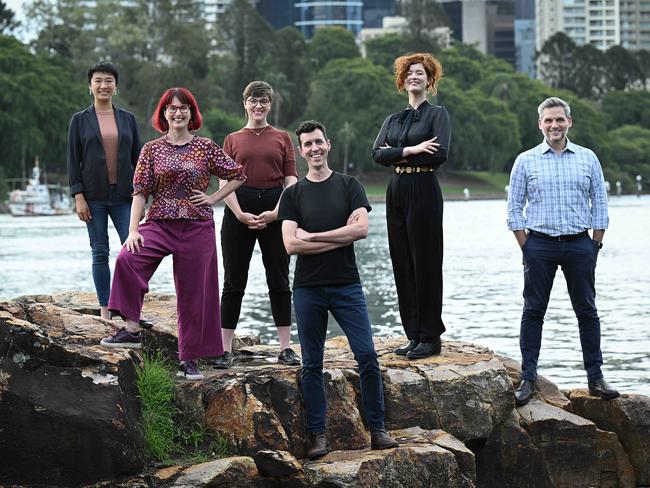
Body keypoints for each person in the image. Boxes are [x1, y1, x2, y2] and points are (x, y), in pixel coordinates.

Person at [99, 87, 246, 381]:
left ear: (191, 113)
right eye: (172, 108)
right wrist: (132, 230)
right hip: (160, 222)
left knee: (194, 295)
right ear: (164, 114)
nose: (177, 113)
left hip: (197, 226)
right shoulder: (151, 149)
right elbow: (140, 191)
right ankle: (130, 329)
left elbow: (238, 174)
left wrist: (214, 198)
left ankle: (189, 359)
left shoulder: (205, 147)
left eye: (183, 108)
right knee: (128, 259)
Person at [279, 120, 399, 460]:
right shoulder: (293, 194)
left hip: (347, 285)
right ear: (301, 152)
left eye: (319, 142)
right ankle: (318, 436)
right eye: (308, 145)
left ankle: (377, 429)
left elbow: (360, 231)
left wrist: (313, 237)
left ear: (328, 144)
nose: (314, 148)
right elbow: (290, 245)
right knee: (312, 363)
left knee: (367, 356)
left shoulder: (350, 186)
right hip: (308, 289)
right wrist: (336, 235)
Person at [507, 96, 619, 405]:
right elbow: (514, 209)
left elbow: (600, 203)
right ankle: (528, 379)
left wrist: (594, 244)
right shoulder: (525, 160)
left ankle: (595, 377)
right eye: (548, 120)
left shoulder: (587, 158)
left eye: (559, 119)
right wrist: (526, 246)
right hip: (539, 245)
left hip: (580, 244)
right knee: (533, 311)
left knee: (587, 310)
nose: (554, 125)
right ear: (540, 125)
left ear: (569, 122)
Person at [211, 81, 300, 369]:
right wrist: (237, 212)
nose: (258, 106)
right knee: (234, 281)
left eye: (263, 101)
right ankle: (225, 349)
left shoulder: (282, 137)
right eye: (253, 101)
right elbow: (224, 180)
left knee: (279, 279)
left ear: (270, 105)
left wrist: (278, 212)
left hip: (275, 208)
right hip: (239, 209)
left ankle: (285, 348)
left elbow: (291, 179)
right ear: (245, 104)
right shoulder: (233, 139)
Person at [371, 53, 451, 359]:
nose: (413, 77)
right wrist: (413, 148)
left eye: (419, 73)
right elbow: (377, 154)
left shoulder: (438, 115)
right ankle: (413, 334)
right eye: (409, 73)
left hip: (423, 187)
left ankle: (431, 336)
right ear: (402, 80)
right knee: (402, 261)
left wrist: (399, 153)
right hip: (397, 189)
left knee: (426, 261)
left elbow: (439, 154)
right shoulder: (393, 119)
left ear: (429, 80)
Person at [67, 61, 145, 322]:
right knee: (100, 252)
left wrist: (142, 196)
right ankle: (105, 311)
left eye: (108, 80)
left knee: (134, 250)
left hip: (125, 197)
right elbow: (72, 160)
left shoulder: (128, 119)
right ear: (90, 86)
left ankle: (131, 310)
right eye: (98, 80)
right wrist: (78, 196)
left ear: (115, 86)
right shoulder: (79, 121)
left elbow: (139, 161)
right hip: (93, 197)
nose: (103, 85)